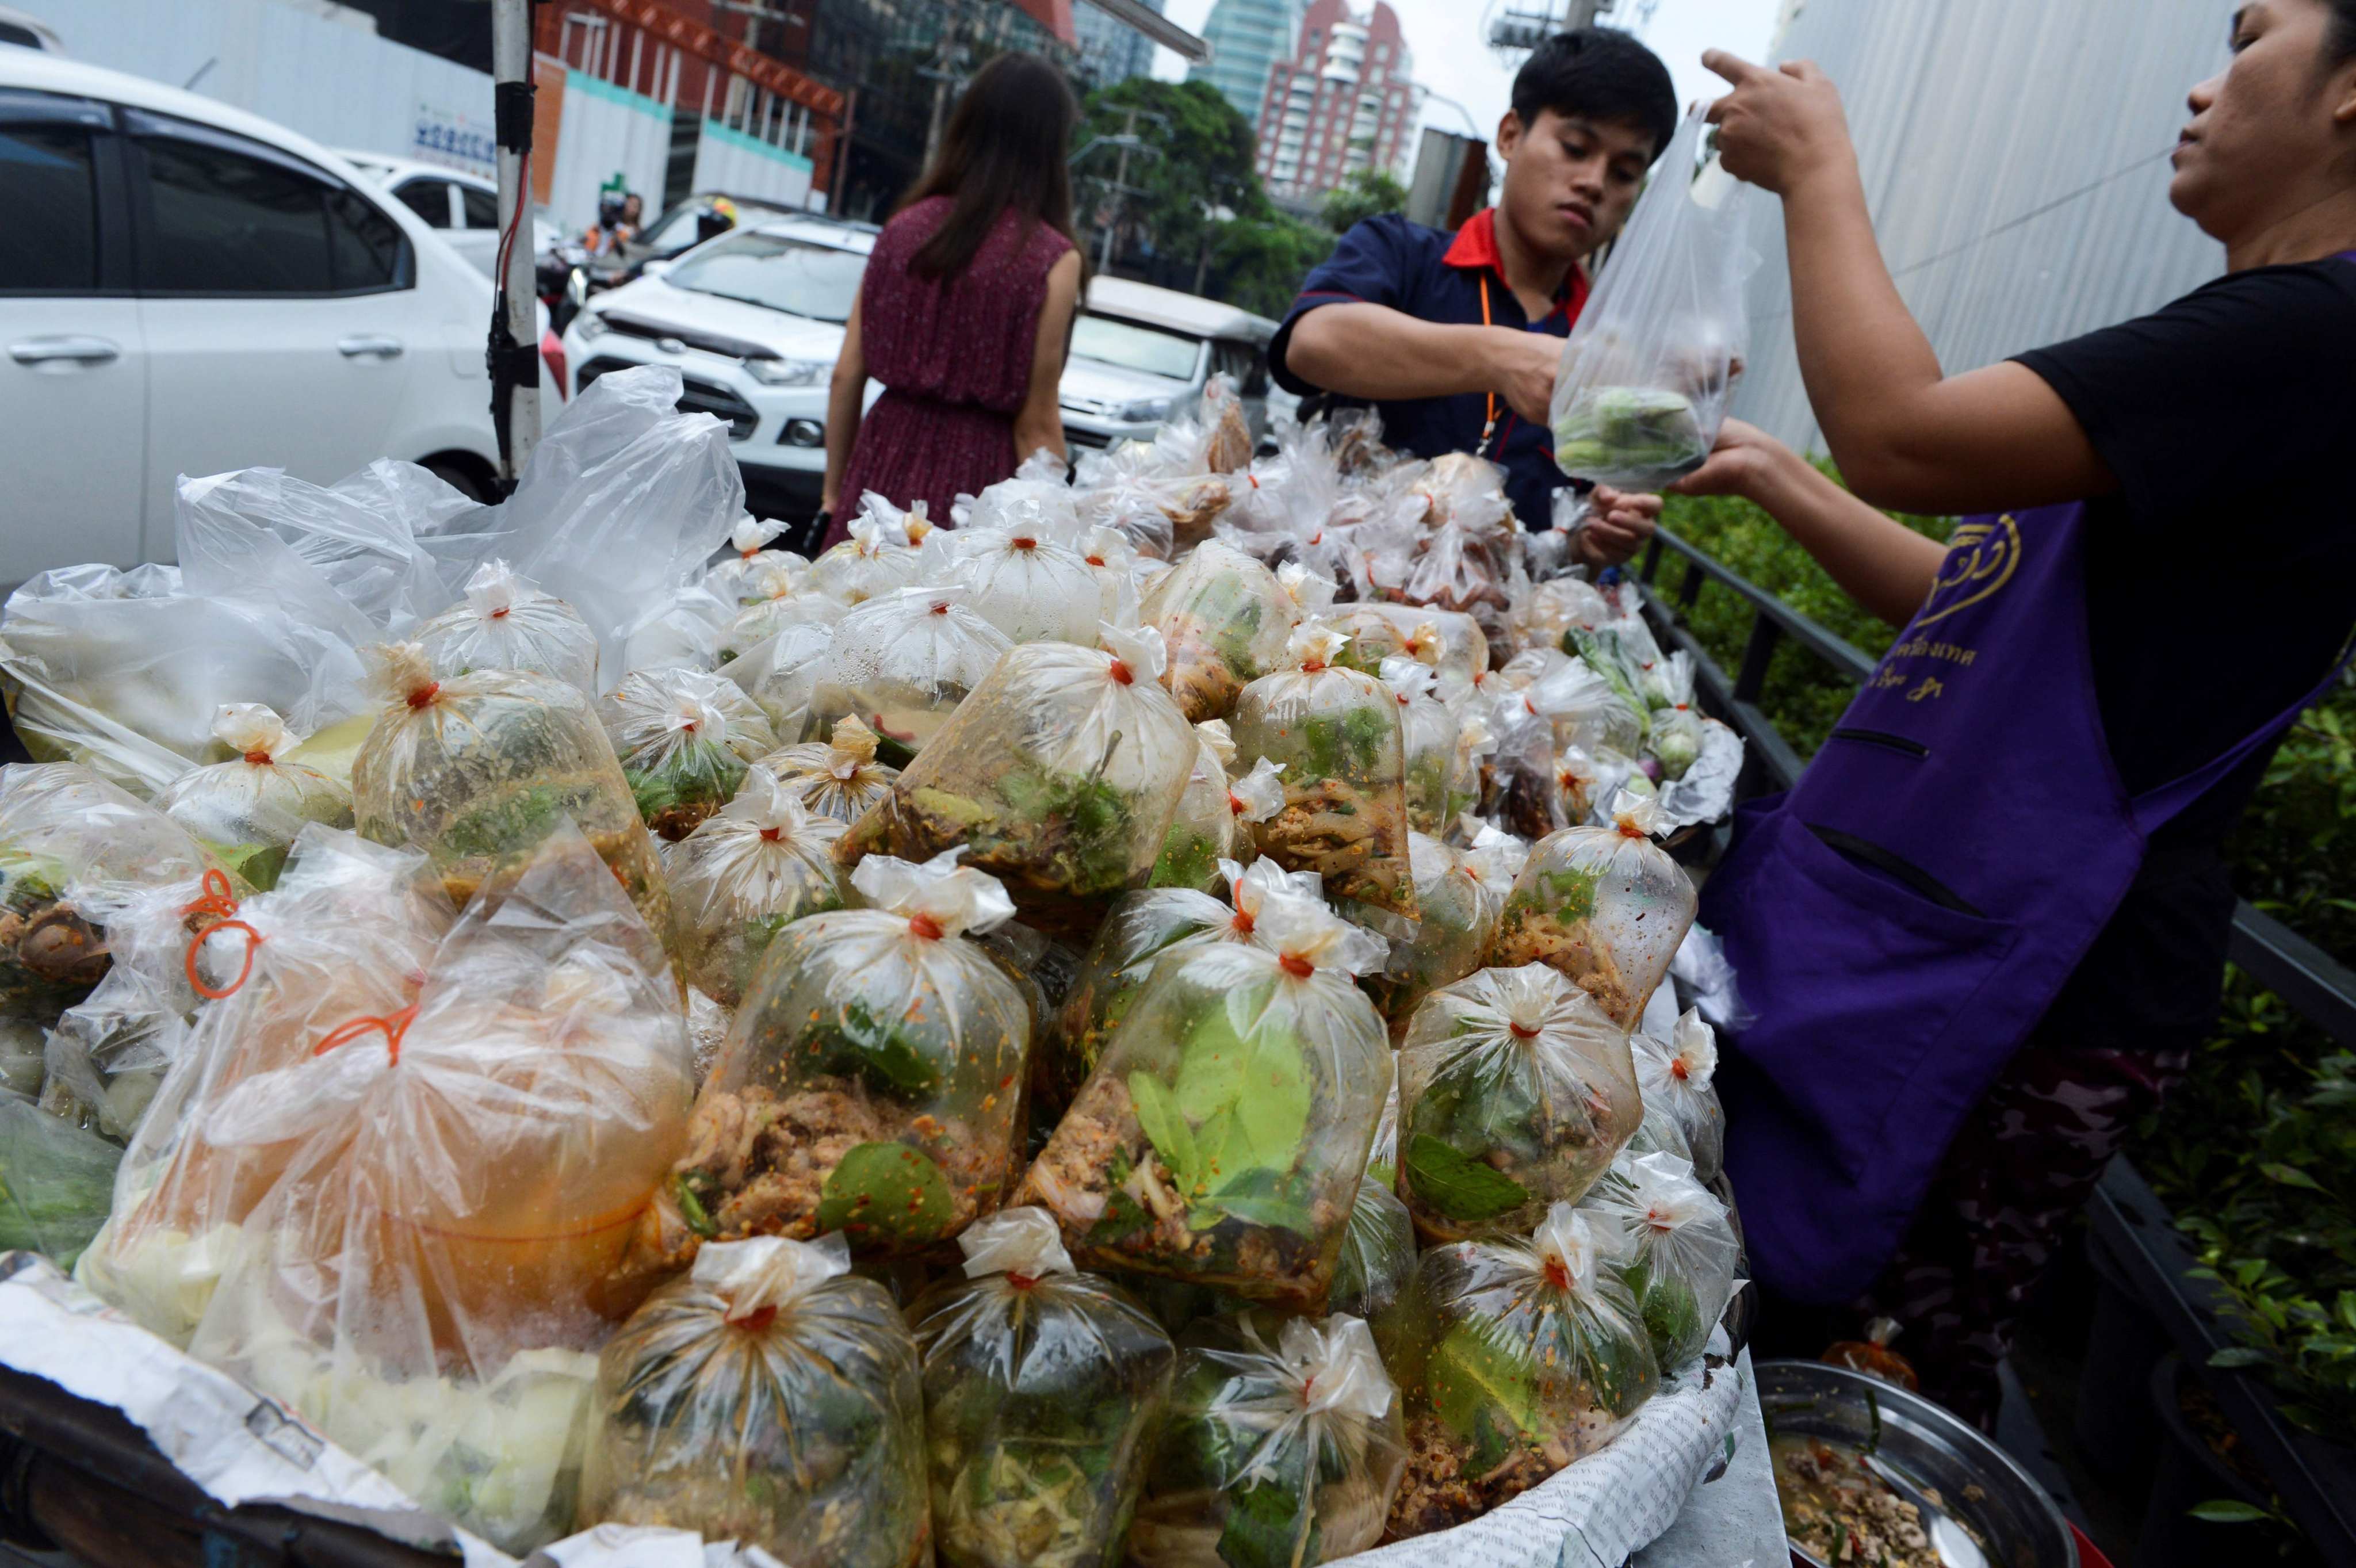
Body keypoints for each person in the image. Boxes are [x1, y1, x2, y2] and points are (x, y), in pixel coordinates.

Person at [1676, 0, 2356, 1427]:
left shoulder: (2311, 333)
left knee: (1863, 1374)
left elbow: (1902, 433)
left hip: (2044, 985)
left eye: (2250, 33)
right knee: (1810, 1322)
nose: (2200, 82)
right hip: (2004, 948)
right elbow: (1987, 608)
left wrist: (1819, 172)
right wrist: (1779, 480)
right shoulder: (2274, 336)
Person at [1269, 27, 1675, 565]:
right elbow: (1312, 343)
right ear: (1510, 136)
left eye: (1625, 173)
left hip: (1489, 638)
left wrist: (1591, 538)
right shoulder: (1400, 253)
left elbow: (1572, 532)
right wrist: (1502, 359)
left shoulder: (1608, 353)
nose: (1594, 182)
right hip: (1329, 618)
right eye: (1575, 148)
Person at [820, 53, 1084, 541]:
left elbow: (846, 375)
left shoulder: (902, 229)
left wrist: (836, 495)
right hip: (979, 486)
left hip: (881, 464)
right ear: (1050, 148)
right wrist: (1058, 533)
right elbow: (1037, 425)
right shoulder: (1052, 260)